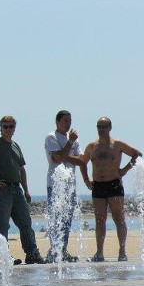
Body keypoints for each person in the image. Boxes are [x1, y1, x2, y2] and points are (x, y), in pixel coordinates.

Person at [0, 115, 45, 264]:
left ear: (15, 128)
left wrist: (26, 189)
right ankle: (2, 257)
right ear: (0, 128)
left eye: (11, 126)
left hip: (17, 189)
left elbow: (21, 169)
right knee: (3, 224)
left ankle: (32, 254)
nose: (8, 129)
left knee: (25, 223)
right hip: (3, 190)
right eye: (5, 126)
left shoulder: (15, 146)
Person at [81, 117, 142, 262]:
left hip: (114, 184)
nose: (101, 129)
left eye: (104, 126)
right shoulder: (91, 146)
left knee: (118, 218)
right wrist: (85, 179)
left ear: (110, 127)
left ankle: (122, 251)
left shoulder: (117, 144)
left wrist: (124, 170)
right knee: (99, 220)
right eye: (99, 126)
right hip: (98, 186)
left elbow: (137, 154)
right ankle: (99, 252)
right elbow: (82, 162)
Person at [44, 110, 84, 262]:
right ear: (57, 122)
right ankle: (54, 250)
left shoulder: (73, 139)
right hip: (55, 185)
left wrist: (64, 154)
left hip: (70, 185)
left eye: (70, 121)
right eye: (65, 121)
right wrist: (69, 145)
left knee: (67, 218)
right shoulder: (51, 137)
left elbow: (81, 161)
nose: (68, 124)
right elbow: (58, 160)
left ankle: (62, 249)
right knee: (56, 218)